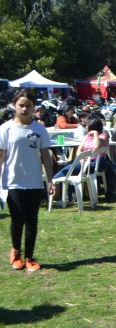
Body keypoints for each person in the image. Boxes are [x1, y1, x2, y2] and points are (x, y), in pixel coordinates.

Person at [0, 90, 55, 272]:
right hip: (13, 181)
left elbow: (46, 156)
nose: (24, 109)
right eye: (21, 105)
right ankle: (16, 252)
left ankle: (30, 257)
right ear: (14, 106)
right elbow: (1, 156)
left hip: (34, 181)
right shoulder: (5, 129)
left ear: (34, 108)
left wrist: (50, 180)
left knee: (32, 220)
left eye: (28, 106)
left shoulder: (39, 130)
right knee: (18, 219)